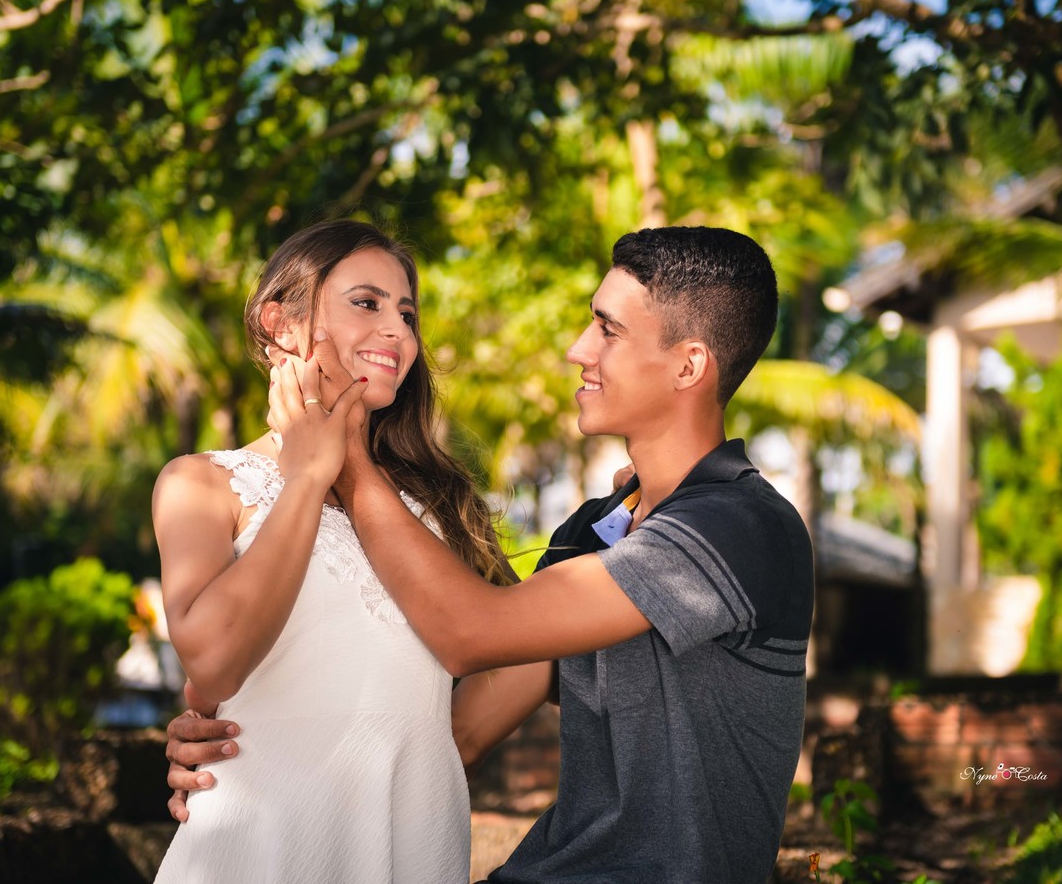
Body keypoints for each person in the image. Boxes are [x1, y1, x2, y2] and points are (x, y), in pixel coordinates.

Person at [169, 226, 815, 884]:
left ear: (689, 364)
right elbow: (460, 731)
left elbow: (471, 632)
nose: (577, 350)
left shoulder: (738, 525)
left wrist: (344, 459)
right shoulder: (596, 528)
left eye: (607, 330)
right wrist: (246, 749)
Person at [151, 219, 523, 884]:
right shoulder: (201, 484)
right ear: (280, 323)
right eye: (367, 302)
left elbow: (521, 645)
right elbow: (212, 659)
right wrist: (307, 475)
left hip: (405, 845)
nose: (398, 332)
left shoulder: (441, 509)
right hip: (257, 853)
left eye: (407, 313)